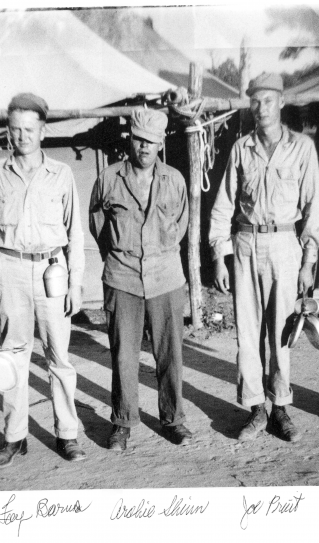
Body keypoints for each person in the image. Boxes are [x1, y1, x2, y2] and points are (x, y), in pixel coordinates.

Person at [209, 72, 319, 442]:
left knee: (281, 333)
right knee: (247, 332)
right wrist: (218, 255)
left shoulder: (302, 147)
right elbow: (224, 204)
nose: (261, 108)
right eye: (255, 101)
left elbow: (313, 211)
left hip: (285, 246)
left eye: (268, 100)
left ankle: (281, 408)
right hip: (245, 244)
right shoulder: (241, 148)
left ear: (281, 102)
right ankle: (256, 409)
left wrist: (308, 262)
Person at [0, 92, 86, 468]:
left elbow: (75, 232)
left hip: (51, 272)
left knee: (59, 357)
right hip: (9, 271)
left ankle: (67, 434)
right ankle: (14, 437)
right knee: (12, 359)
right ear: (8, 131)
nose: (22, 136)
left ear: (42, 130)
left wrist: (75, 284)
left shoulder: (61, 174)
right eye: (15, 129)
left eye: (29, 129)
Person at [89, 109, 192, 451]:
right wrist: (121, 256)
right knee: (123, 355)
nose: (144, 147)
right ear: (129, 139)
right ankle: (122, 422)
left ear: (161, 143)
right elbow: (98, 225)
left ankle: (173, 419)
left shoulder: (175, 180)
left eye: (151, 141)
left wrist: (158, 253)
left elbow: (181, 222)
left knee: (170, 353)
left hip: (166, 278)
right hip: (123, 276)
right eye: (138, 139)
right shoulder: (108, 178)